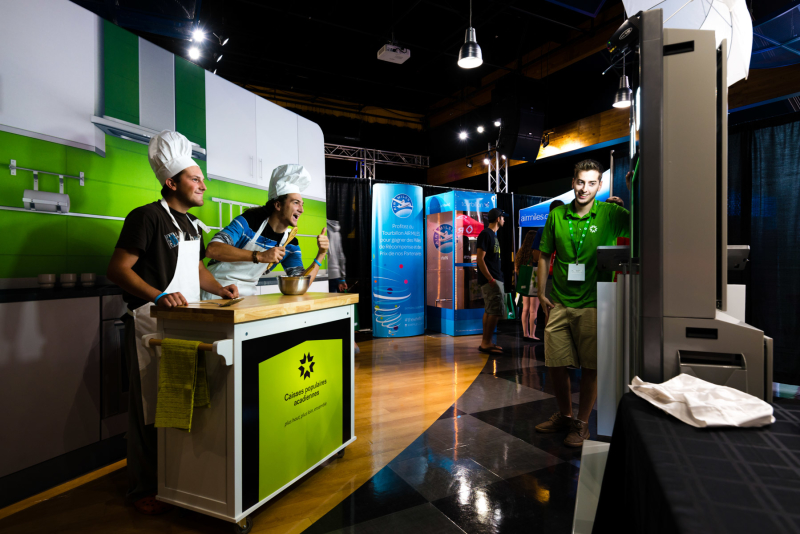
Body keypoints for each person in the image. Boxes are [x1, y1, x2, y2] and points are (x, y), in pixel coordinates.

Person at [107, 130, 239, 514]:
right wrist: (158, 295)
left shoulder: (193, 225)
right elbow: (118, 269)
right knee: (148, 409)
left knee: (181, 403)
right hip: (149, 324)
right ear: (172, 182)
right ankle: (141, 488)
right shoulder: (146, 217)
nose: (203, 185)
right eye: (195, 179)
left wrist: (220, 289)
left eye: (201, 178)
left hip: (185, 324)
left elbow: (196, 270)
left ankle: (175, 481)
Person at [534, 159, 630, 447]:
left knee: (591, 366)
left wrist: (631, 193)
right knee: (555, 362)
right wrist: (540, 293)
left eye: (591, 183)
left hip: (594, 303)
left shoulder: (611, 213)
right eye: (580, 182)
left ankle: (582, 423)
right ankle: (565, 415)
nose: (584, 188)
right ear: (572, 183)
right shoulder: (557, 215)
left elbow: (644, 224)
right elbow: (544, 255)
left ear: (599, 186)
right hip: (559, 303)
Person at [201, 164, 329, 298]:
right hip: (215, 292)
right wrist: (260, 256)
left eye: (302, 204)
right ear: (278, 205)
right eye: (296, 203)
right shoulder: (249, 222)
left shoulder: (290, 243)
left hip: (246, 297)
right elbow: (212, 249)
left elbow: (300, 283)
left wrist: (321, 254)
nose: (301, 210)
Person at [476, 208, 509, 355]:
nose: (504, 220)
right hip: (491, 280)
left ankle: (486, 341)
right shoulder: (486, 234)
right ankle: (486, 343)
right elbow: (480, 259)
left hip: (494, 278)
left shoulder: (492, 235)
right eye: (503, 217)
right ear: (497, 219)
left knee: (490, 310)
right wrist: (490, 279)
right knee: (495, 311)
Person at [514, 230, 540, 341]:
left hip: (524, 283)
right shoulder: (535, 252)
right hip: (534, 283)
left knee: (525, 309)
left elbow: (516, 269)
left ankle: (525, 333)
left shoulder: (521, 252)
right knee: (533, 310)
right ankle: (532, 335)